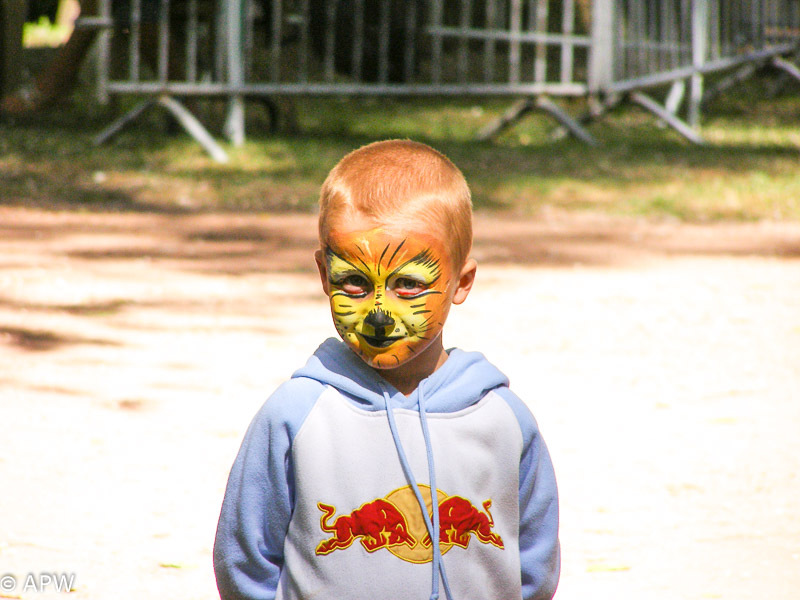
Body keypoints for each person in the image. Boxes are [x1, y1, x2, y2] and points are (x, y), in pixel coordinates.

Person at [213, 139, 560, 600]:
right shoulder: (296, 415)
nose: (379, 313)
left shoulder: (503, 421)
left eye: (409, 284)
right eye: (354, 281)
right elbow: (245, 561)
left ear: (461, 282)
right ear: (323, 274)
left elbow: (533, 563)